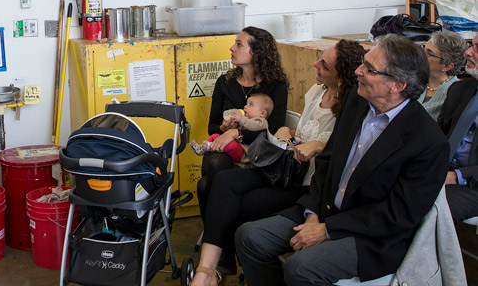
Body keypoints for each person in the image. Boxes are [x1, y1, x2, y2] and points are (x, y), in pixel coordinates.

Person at [234, 34, 447, 285]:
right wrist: (313, 213)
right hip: (324, 210)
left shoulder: (428, 142)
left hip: (370, 236)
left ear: (397, 85)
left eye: (368, 69)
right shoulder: (357, 101)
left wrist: (327, 230)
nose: (357, 71)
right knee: (249, 237)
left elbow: (397, 215)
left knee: (300, 268)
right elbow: (327, 161)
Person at [190, 39, 365, 286]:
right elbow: (300, 130)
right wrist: (286, 130)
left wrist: (317, 146)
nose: (315, 64)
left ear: (341, 77)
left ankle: (221, 267)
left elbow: (352, 149)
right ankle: (206, 270)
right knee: (221, 180)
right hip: (285, 168)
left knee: (230, 202)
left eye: (324, 64)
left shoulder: (353, 105)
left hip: (307, 184)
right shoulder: (316, 92)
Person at [198, 28, 289, 236]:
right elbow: (212, 126)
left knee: (205, 186)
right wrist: (223, 129)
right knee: (214, 163)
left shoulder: (276, 86)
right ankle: (225, 247)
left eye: (239, 44)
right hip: (227, 153)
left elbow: (272, 133)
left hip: (258, 157)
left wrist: (236, 134)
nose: (232, 48)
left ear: (257, 52)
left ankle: (220, 244)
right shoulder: (225, 83)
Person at [438, 33, 478, 222]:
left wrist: (456, 176)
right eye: (471, 45)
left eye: (477, 48)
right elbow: (437, 137)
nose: (468, 52)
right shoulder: (460, 90)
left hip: (472, 184)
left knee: (427, 206)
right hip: (442, 171)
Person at [191, 93, 273, 162]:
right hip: (238, 147)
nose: (245, 106)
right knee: (217, 136)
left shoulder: (262, 122)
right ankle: (201, 148)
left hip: (245, 154)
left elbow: (253, 126)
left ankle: (209, 146)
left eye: (251, 105)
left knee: (230, 143)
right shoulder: (246, 120)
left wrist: (241, 119)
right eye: (246, 104)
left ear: (263, 113)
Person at [419, 29, 466, 120]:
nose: (421, 56)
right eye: (423, 49)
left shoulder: (456, 94)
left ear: (447, 66)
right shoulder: (415, 82)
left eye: (429, 53)